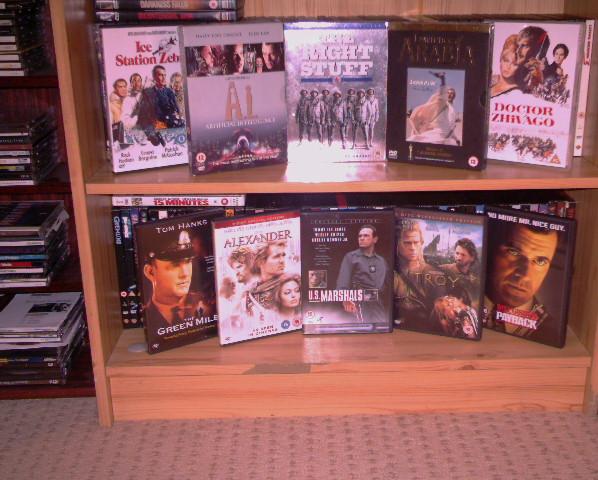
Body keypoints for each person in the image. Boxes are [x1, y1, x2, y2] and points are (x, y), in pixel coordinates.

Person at [485, 223, 558, 340]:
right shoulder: (459, 299)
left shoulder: (552, 334)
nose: (524, 275)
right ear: (489, 247)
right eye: (514, 252)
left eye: (540, 261)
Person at [142, 230, 212, 330]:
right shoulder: (145, 316)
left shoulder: (209, 304)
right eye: (174, 265)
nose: (185, 274)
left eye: (188, 261)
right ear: (150, 272)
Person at [393, 220, 448, 333]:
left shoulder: (434, 275)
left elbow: (439, 315)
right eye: (407, 243)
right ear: (398, 244)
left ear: (421, 243)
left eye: (416, 242)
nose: (412, 247)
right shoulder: (389, 272)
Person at [336, 224, 391, 324]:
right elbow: (343, 280)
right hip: (359, 302)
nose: (361, 238)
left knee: (381, 327)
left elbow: (388, 284)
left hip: (378, 303)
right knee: (362, 327)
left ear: (375, 239)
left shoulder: (381, 261)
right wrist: (345, 299)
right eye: (360, 236)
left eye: (366, 235)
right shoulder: (351, 257)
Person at [407, 71, 461, 146]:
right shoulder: (443, 104)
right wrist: (443, 79)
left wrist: (456, 139)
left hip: (445, 137)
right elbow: (442, 93)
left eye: (451, 93)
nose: (449, 95)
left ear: (454, 95)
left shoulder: (453, 109)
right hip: (438, 134)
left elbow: (450, 128)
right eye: (448, 93)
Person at [137, 64, 185, 147]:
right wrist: (151, 134)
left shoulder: (169, 91)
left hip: (173, 130)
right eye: (160, 75)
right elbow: (142, 117)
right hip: (158, 130)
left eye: (164, 75)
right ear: (154, 77)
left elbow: (177, 111)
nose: (163, 78)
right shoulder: (148, 93)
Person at [247, 240, 288, 317]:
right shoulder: (249, 293)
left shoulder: (291, 286)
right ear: (260, 262)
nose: (282, 261)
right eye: (276, 256)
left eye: (283, 255)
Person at [514, 25, 550, 93]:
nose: (517, 51)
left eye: (524, 46)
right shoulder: (516, 72)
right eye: (518, 46)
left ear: (537, 50)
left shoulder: (546, 77)